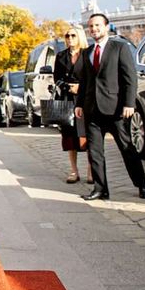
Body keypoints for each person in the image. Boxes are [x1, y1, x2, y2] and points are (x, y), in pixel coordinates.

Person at [75, 13, 145, 200]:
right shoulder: (87, 52)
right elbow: (84, 81)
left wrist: (129, 103)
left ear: (106, 27)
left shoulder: (119, 48)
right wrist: (79, 104)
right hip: (92, 110)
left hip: (115, 109)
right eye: (91, 26)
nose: (94, 29)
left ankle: (142, 185)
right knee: (95, 152)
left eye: (98, 25)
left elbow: (129, 78)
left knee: (127, 149)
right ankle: (100, 189)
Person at [54, 26, 91, 184]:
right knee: (69, 137)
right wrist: (68, 87)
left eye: (73, 35)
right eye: (67, 35)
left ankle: (91, 172)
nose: (70, 38)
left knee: (88, 136)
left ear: (80, 37)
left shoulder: (87, 54)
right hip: (67, 100)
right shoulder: (61, 56)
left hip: (85, 99)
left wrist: (80, 88)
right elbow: (57, 78)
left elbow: (93, 76)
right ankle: (74, 171)